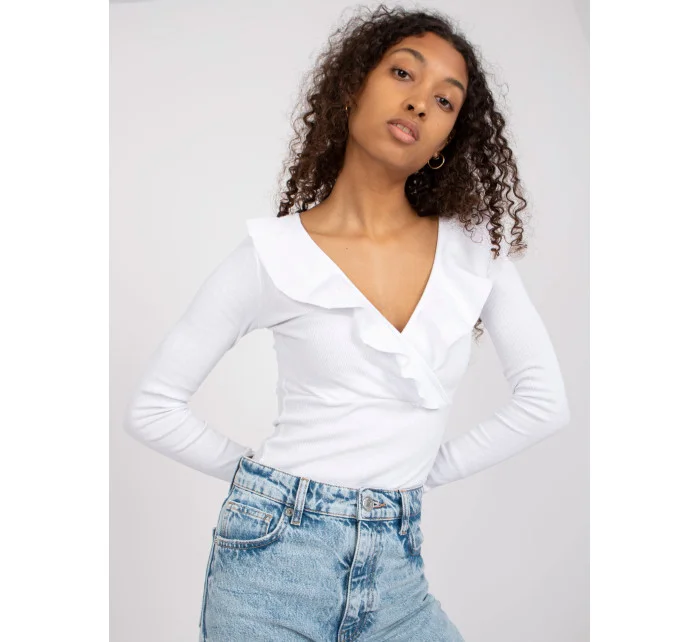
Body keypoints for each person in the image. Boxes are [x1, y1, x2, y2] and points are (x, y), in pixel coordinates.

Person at [123, 6, 571, 641]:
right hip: (268, 574)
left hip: (398, 579)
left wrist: (420, 475)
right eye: (402, 73)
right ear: (352, 86)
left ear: (447, 140)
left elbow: (545, 404)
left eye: (445, 100)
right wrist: (267, 488)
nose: (420, 102)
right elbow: (152, 408)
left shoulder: (476, 254)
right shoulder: (273, 256)